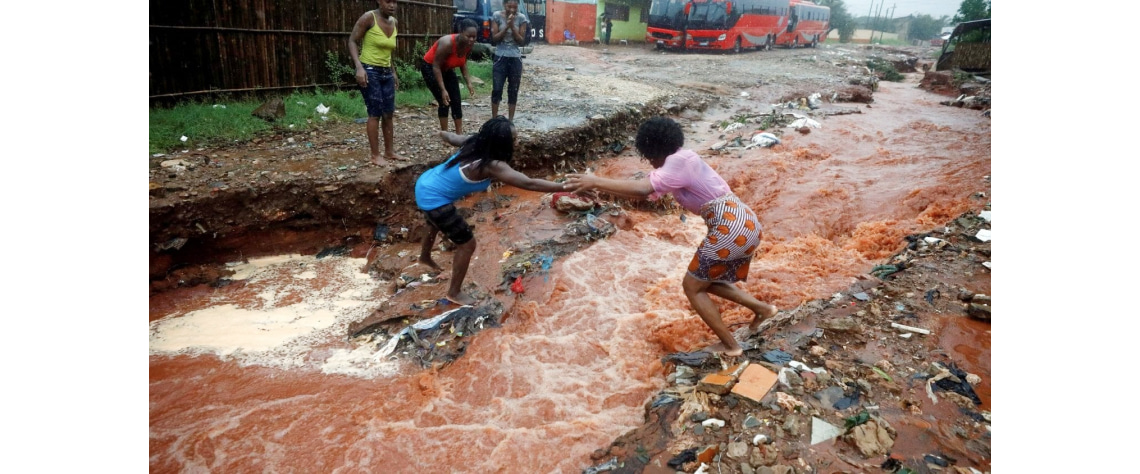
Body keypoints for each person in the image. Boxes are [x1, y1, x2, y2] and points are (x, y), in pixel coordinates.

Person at [566, 117, 779, 357]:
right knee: (706, 282)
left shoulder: (677, 162)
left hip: (730, 227)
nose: (650, 163)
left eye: (649, 157)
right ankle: (764, 309)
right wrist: (600, 188)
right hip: (744, 223)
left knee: (692, 287)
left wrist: (595, 180)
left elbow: (643, 188)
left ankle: (731, 346)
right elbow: (643, 195)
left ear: (653, 150)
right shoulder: (681, 161)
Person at [415, 116, 566, 305]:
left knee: (433, 221)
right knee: (467, 244)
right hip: (434, 198)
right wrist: (566, 187)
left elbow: (453, 138)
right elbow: (530, 183)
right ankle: (454, 293)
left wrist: (441, 133)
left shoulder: (475, 141)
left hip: (425, 183)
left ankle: (425, 257)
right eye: (514, 139)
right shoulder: (491, 166)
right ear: (502, 143)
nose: (517, 142)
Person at [348, 0, 405, 166]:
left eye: (395, 2)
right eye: (388, 1)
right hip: (369, 70)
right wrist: (359, 68)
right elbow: (352, 41)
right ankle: (375, 155)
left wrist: (393, 72)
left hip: (386, 72)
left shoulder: (394, 22)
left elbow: (389, 51)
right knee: (375, 112)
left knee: (388, 113)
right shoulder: (369, 18)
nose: (392, 5)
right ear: (379, 1)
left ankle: (389, 151)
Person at [420, 20, 479, 135]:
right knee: (444, 101)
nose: (471, 40)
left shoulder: (469, 45)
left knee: (456, 100)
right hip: (431, 68)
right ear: (461, 33)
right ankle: (445, 134)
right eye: (468, 36)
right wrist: (443, 89)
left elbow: (463, 63)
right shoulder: (447, 43)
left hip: (446, 69)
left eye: (474, 37)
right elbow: (436, 66)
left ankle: (459, 134)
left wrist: (469, 83)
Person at [490, 0, 528, 121]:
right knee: (497, 88)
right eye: (509, 6)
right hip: (500, 56)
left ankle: (510, 120)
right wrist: (506, 26)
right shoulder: (496, 16)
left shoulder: (522, 18)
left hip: (515, 58)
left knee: (513, 90)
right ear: (504, 5)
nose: (512, 9)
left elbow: (521, 41)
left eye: (515, 6)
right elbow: (495, 38)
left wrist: (512, 26)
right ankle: (494, 120)